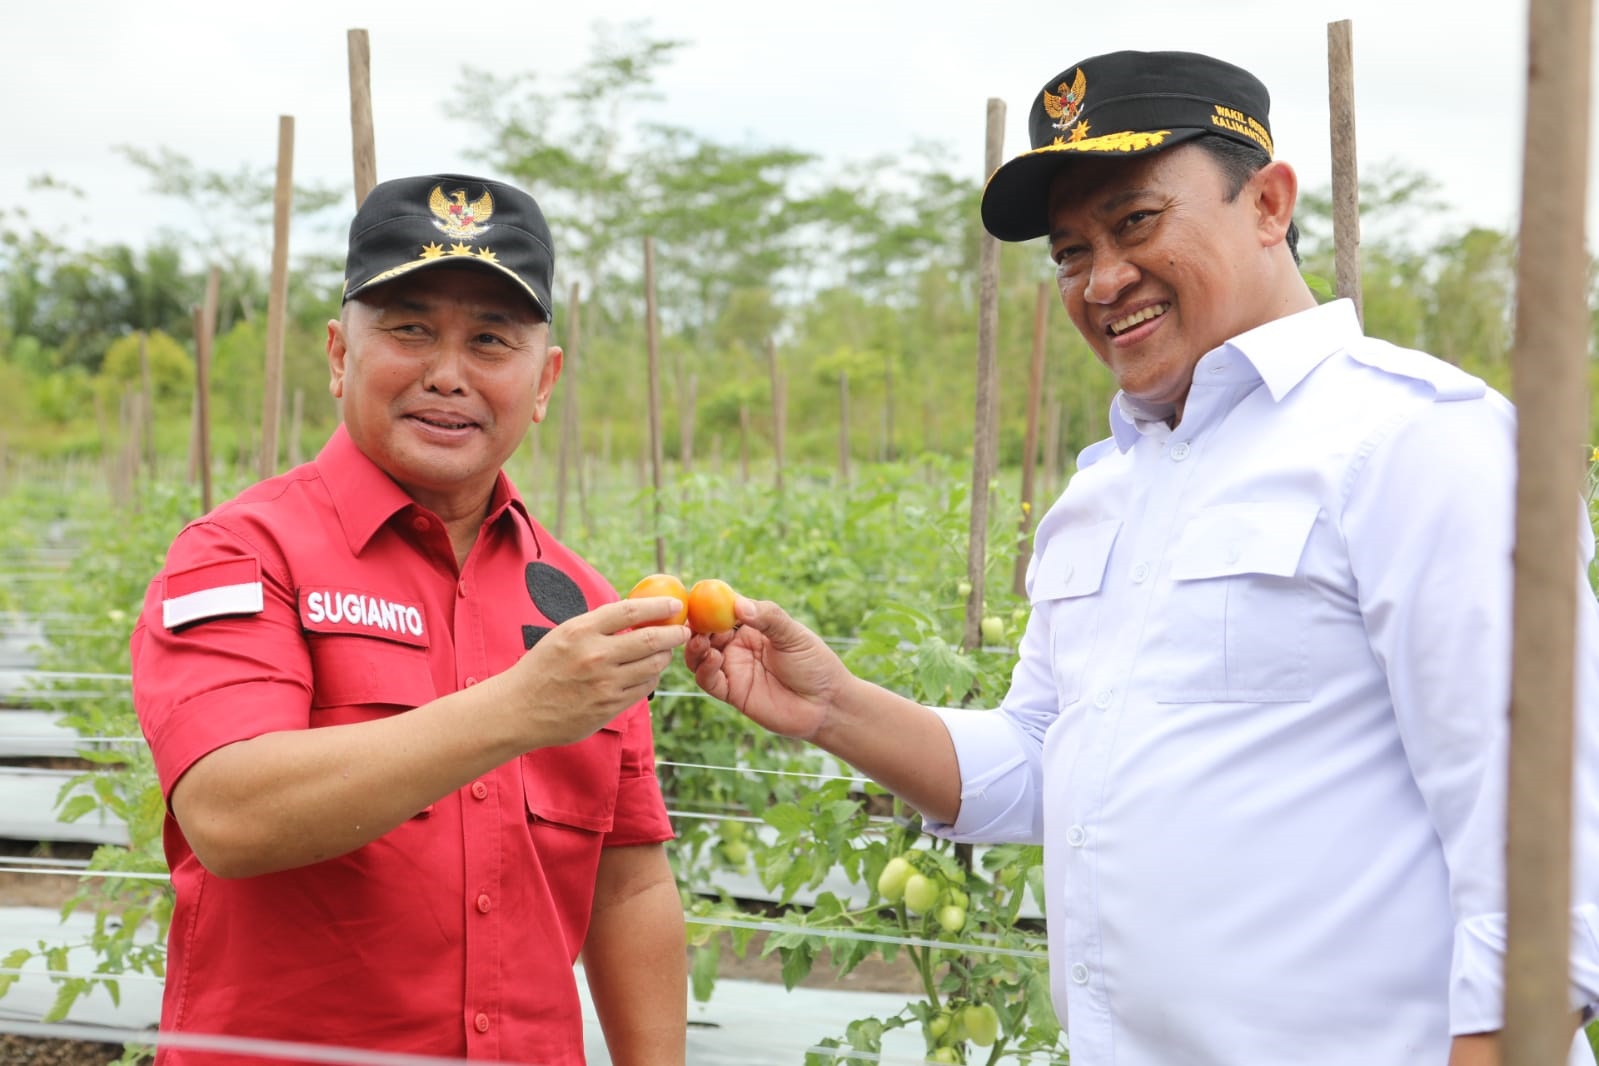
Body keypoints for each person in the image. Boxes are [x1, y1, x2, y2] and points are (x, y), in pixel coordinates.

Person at [686, 50, 1599, 1066]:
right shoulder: (1105, 492)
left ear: (1268, 203)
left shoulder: (1419, 444)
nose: (1103, 279)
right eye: (1071, 252)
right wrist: (830, 708)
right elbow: (1043, 761)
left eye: (1135, 222)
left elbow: (1542, 863)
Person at [130, 173, 691, 1066]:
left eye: (490, 340)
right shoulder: (243, 554)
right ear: (339, 355)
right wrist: (518, 710)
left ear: (542, 382)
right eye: (410, 329)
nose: (446, 374)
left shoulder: (574, 599)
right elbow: (229, 815)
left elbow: (627, 886)